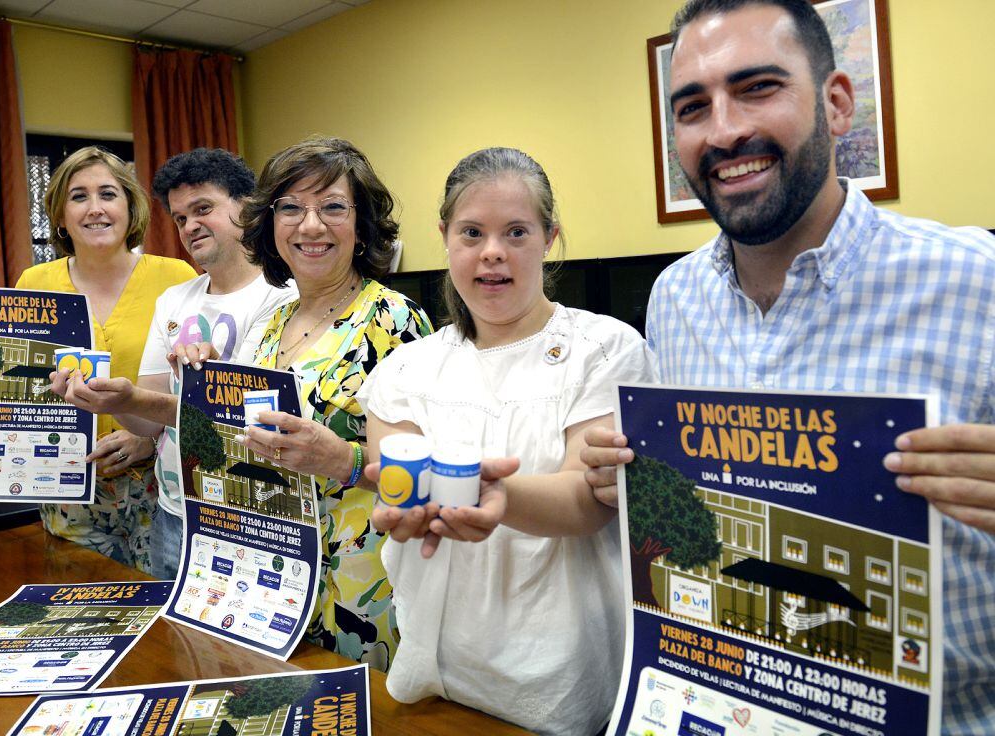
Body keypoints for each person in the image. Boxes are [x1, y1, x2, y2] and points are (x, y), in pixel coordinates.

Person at [581, 2, 995, 733]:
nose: (725, 129)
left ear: (837, 104)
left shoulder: (977, 282)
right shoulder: (673, 300)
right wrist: (624, 478)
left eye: (759, 87)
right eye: (692, 106)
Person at [357, 147, 656, 735]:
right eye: (472, 232)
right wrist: (402, 509)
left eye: (516, 231)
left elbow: (586, 500)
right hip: (436, 667)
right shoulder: (405, 370)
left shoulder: (604, 349)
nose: (492, 251)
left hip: (558, 673)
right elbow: (397, 486)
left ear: (549, 239)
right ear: (444, 237)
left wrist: (494, 492)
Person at [0, 147, 197, 573]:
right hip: (67, 486)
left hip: (161, 488)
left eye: (109, 194)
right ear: (59, 215)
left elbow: (195, 388)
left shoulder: (179, 279)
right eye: (79, 196)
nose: (95, 208)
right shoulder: (35, 283)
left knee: (162, 622)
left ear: (131, 208)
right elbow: (11, 383)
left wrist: (145, 439)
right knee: (87, 611)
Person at [223, 136, 432, 671]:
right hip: (278, 572)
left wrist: (341, 457)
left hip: (363, 583)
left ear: (361, 225)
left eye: (333, 207)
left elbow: (427, 479)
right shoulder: (270, 325)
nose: (310, 225)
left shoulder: (395, 320)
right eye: (290, 208)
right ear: (270, 224)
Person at [48, 148, 297, 580]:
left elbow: (248, 422)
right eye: (180, 218)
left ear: (246, 206)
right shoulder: (176, 300)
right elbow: (147, 420)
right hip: (173, 511)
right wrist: (113, 401)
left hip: (246, 515)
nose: (190, 226)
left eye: (203, 209)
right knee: (168, 643)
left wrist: (205, 389)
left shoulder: (285, 298)